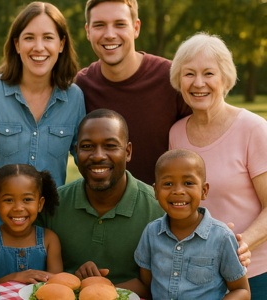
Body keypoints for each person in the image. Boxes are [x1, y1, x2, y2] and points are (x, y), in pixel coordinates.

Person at [0, 1, 85, 238]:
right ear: (17, 44)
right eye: (29, 38)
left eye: (48, 38)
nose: (39, 47)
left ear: (61, 44)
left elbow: (86, 161)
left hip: (47, 234)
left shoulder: (75, 98)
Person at [169, 32, 267, 297]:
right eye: (189, 74)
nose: (198, 83)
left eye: (209, 73)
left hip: (252, 274)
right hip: (195, 276)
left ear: (225, 79)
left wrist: (241, 245)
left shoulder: (254, 129)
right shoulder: (176, 133)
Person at [36, 109, 163, 297]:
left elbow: (162, 286)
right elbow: (37, 278)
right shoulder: (52, 205)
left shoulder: (158, 209)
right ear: (76, 151)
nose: (98, 156)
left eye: (110, 146)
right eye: (87, 147)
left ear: (127, 152)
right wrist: (75, 282)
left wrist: (99, 288)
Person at [75, 0, 192, 185]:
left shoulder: (172, 79)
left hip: (164, 208)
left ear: (136, 28)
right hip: (105, 209)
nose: (110, 34)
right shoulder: (81, 86)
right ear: (88, 32)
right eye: (99, 25)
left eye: (120, 24)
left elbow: (210, 133)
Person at [134, 149, 250, 300]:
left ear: (204, 190)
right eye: (168, 183)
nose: (178, 191)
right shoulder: (151, 233)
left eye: (188, 183)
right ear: (155, 191)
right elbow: (147, 286)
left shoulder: (221, 237)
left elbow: (242, 290)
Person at [0, 164, 62, 284]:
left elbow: (57, 283)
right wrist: (13, 278)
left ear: (40, 204)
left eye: (27, 199)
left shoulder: (49, 240)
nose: (18, 208)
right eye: (9, 200)